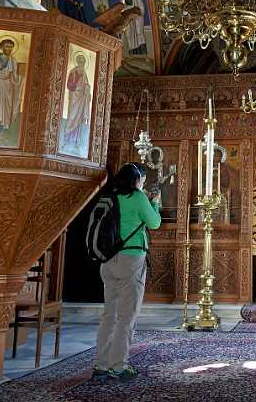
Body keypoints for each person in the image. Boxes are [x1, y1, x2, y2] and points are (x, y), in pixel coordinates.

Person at [92, 162, 161, 382]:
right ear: (137, 180)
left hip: (107, 261)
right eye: (142, 179)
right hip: (130, 260)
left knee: (109, 315)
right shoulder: (138, 197)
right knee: (126, 316)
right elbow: (155, 222)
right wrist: (155, 204)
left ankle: (100, 366)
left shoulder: (110, 196)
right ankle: (119, 367)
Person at [64, 53, 91, 147]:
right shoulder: (73, 72)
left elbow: (87, 86)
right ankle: (66, 139)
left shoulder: (84, 74)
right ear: (78, 61)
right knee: (71, 117)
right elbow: (69, 85)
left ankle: (75, 140)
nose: (82, 63)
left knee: (78, 119)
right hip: (75, 98)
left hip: (82, 99)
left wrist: (86, 90)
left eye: (83, 62)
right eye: (80, 61)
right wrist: (76, 85)